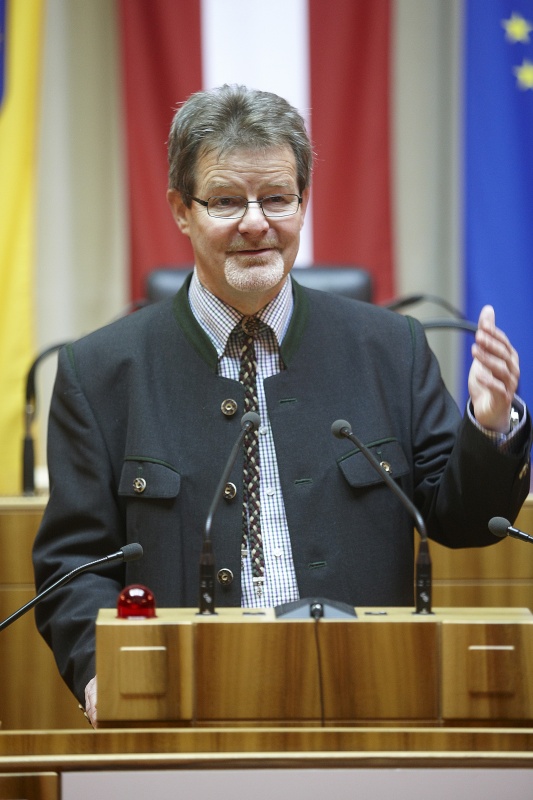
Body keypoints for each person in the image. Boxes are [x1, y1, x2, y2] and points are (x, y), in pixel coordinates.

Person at [33, 84, 532, 727]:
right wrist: (101, 668)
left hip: (368, 706)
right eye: (225, 201)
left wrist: (490, 427)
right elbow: (71, 566)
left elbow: (462, 521)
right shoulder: (100, 373)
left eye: (276, 198)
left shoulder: (389, 349)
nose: (255, 222)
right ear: (181, 210)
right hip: (183, 711)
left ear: (304, 202)